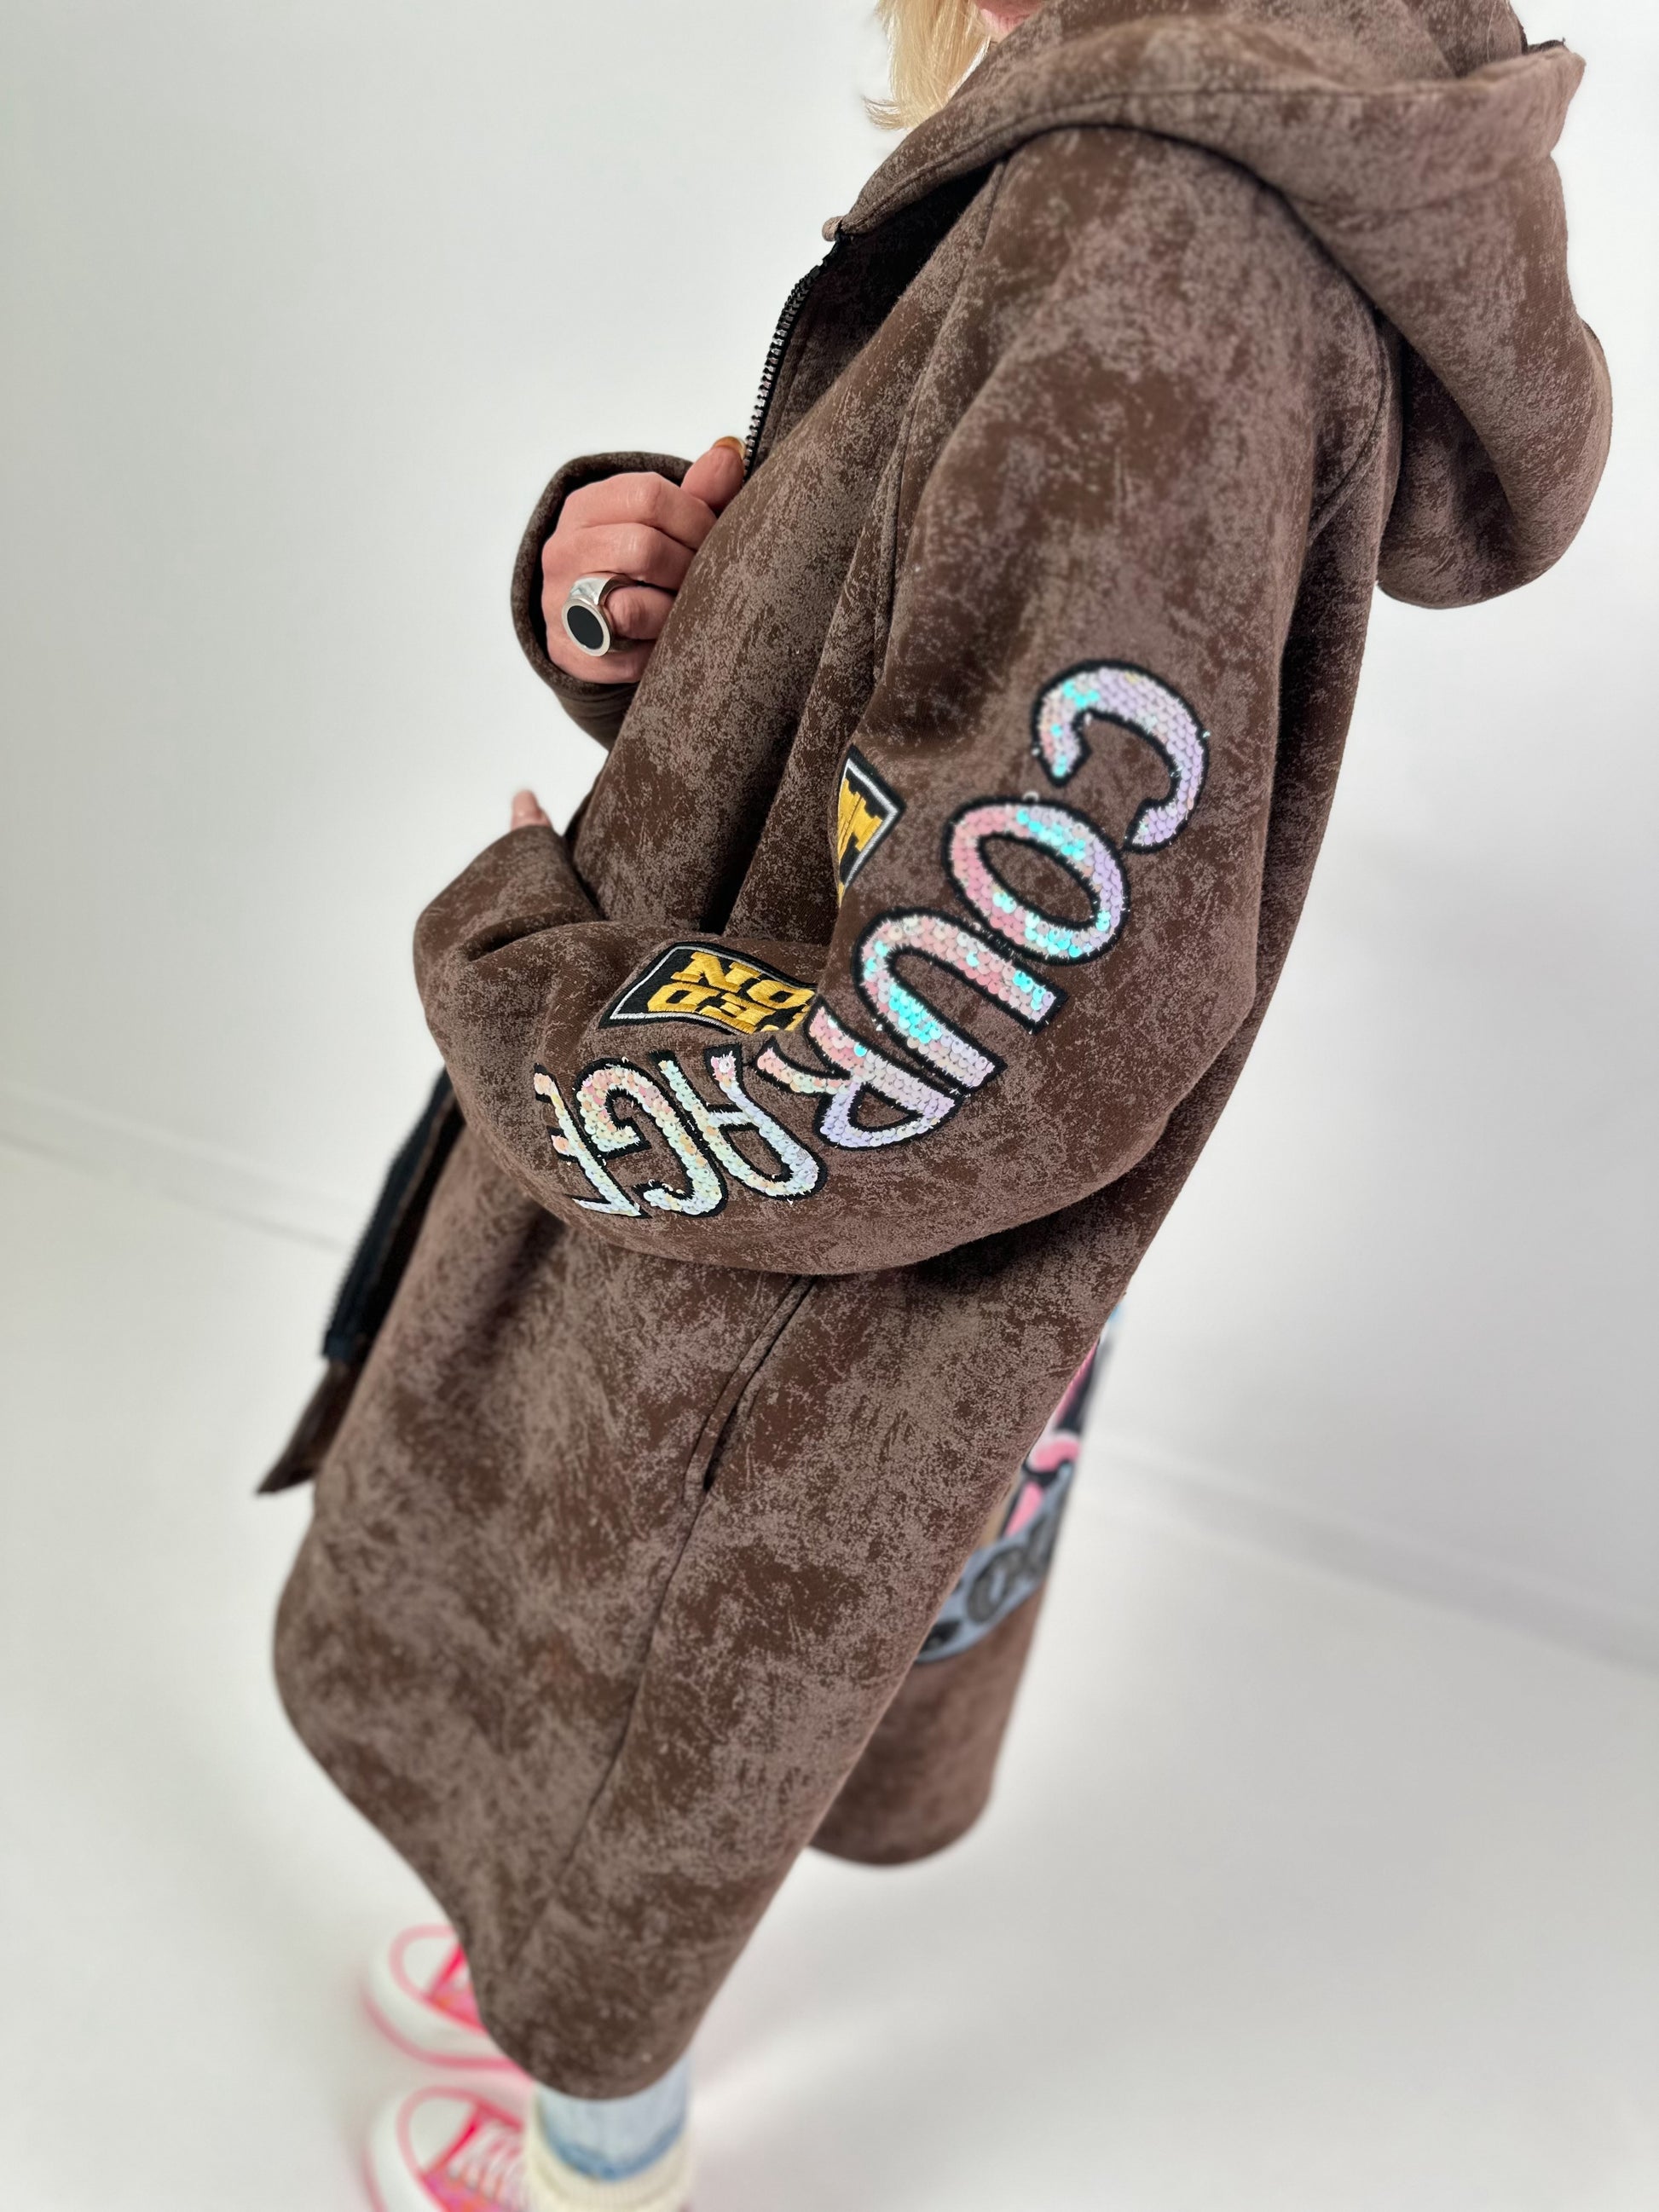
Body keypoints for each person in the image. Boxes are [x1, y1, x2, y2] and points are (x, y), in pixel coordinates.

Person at [263, 2, 1610, 2206]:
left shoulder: (1151, 223)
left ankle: (599, 2137)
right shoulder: (1165, 141)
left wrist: (529, 1000)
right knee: (641, 1694)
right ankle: (545, 1962)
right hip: (797, 1206)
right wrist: (671, 619)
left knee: (660, 1731)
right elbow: (929, 757)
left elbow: (987, 1039)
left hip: (797, 1244)